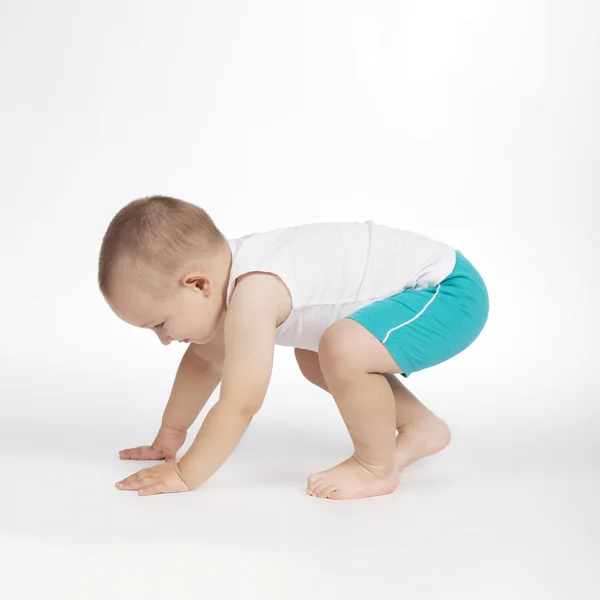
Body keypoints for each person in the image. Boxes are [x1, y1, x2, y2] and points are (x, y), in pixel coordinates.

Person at [98, 195, 489, 500]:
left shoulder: (254, 291)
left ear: (198, 284)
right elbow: (203, 361)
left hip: (449, 291)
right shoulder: (227, 277)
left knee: (340, 348)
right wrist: (170, 437)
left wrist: (186, 474)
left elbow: (240, 402)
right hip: (433, 290)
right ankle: (419, 427)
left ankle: (375, 465)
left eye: (161, 324)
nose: (165, 340)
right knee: (314, 353)